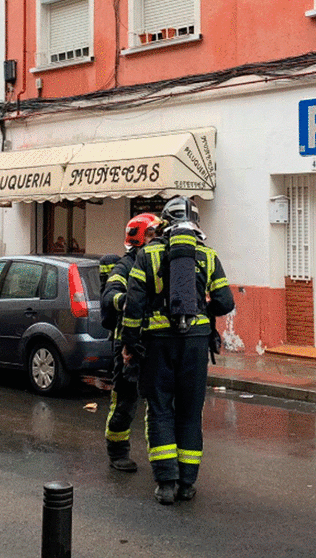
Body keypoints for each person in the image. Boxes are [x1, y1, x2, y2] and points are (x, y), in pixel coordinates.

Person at [121, 197, 234, 505]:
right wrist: (202, 307)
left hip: (157, 345)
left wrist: (130, 343)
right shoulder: (208, 256)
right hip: (196, 344)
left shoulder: (147, 255)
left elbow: (134, 305)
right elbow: (226, 302)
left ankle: (165, 484)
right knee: (189, 412)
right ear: (196, 222)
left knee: (159, 410)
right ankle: (187, 483)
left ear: (165, 222)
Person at [99, 213, 162, 473]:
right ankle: (117, 451)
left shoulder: (156, 259)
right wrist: (127, 301)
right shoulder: (125, 266)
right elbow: (109, 296)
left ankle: (161, 458)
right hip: (125, 343)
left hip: (152, 341)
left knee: (159, 401)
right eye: (152, 233)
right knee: (125, 401)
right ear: (139, 237)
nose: (157, 237)